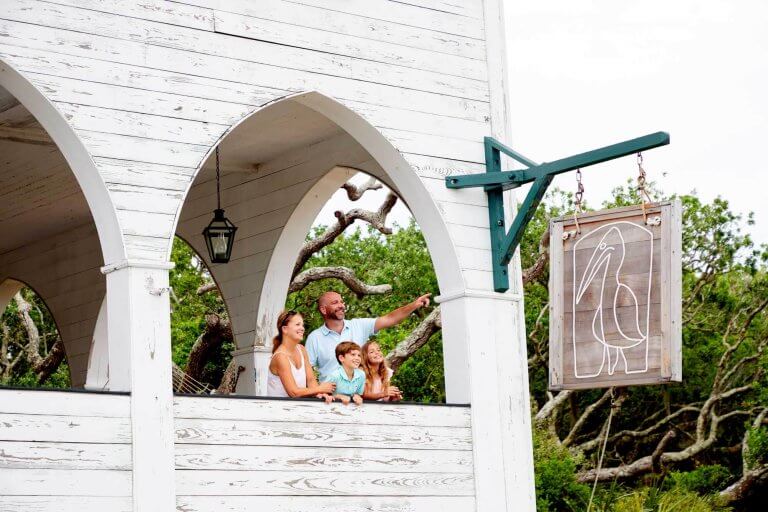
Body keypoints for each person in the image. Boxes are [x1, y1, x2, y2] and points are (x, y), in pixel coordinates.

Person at [306, 291, 431, 382]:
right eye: (335, 302)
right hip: (331, 399)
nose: (341, 305)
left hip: (362, 396)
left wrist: (414, 305)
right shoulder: (314, 338)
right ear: (323, 310)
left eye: (342, 301)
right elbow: (307, 371)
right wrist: (318, 392)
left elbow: (390, 318)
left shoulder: (359, 325)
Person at [267, 310, 335, 402]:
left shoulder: (301, 349)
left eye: (302, 325)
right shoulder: (280, 357)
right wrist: (320, 389)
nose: (302, 328)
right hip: (279, 411)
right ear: (285, 329)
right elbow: (293, 392)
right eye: (297, 324)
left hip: (298, 409)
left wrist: (320, 394)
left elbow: (311, 380)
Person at [325, 341, 365, 405]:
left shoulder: (361, 375)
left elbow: (358, 393)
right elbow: (322, 394)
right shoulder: (334, 376)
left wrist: (357, 396)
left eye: (359, 355)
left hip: (351, 409)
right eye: (353, 355)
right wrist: (338, 396)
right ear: (341, 358)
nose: (357, 358)